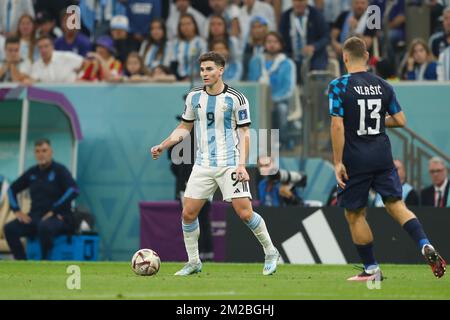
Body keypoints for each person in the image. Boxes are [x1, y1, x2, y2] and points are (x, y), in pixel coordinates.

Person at [151, 51, 280, 276]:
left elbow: (245, 134)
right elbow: (185, 127)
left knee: (245, 213)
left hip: (230, 163)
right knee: (188, 214)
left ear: (221, 70)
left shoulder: (236, 98)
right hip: (202, 165)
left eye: (209, 69)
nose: (205, 73)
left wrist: (241, 165)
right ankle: (194, 262)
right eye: (202, 69)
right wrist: (164, 144)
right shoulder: (194, 97)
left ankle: (270, 252)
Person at [329, 36, 446, 281]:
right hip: (382, 155)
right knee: (396, 205)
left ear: (345, 57)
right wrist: (375, 121)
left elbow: (337, 126)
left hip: (356, 158)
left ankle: (372, 269)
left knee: (355, 214)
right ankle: (424, 243)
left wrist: (338, 161)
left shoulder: (339, 85)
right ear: (368, 57)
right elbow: (401, 121)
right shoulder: (383, 85)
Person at [3, 139, 79, 260]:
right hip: (36, 217)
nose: (41, 154)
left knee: (45, 227)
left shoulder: (60, 170)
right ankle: (22, 264)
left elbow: (74, 190)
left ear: (51, 152)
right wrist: (16, 210)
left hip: (59, 217)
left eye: (44, 150)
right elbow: (11, 189)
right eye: (37, 151)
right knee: (9, 228)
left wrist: (54, 210)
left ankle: (45, 262)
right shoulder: (32, 172)